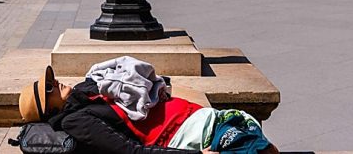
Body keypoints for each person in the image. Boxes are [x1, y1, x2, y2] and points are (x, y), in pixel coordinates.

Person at [18, 58, 278, 154]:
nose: (56, 81)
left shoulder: (86, 92)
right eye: (49, 87)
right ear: (49, 110)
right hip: (192, 134)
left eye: (51, 79)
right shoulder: (75, 120)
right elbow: (130, 150)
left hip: (201, 117)